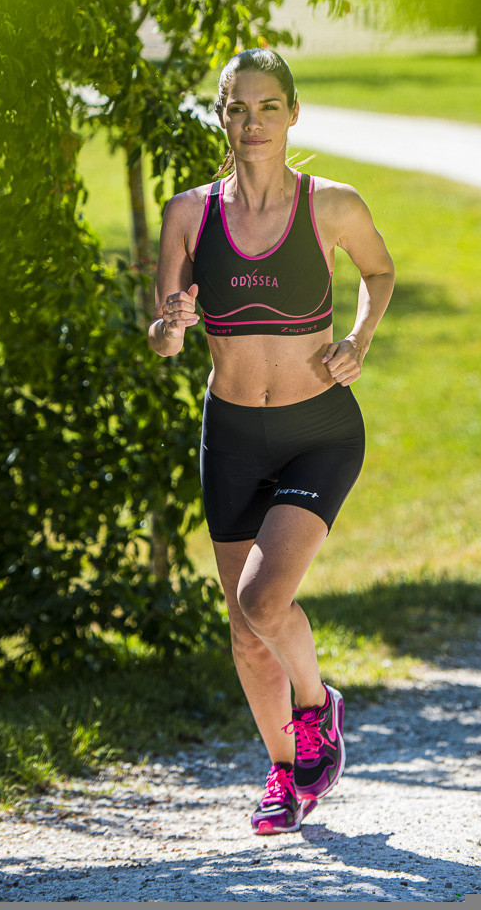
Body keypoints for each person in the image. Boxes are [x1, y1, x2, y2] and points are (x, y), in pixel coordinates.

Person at [148, 48, 394, 835]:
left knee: (263, 600)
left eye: (268, 107)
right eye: (237, 108)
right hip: (231, 435)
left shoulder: (332, 205)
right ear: (221, 117)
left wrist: (358, 339)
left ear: (292, 113)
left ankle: (317, 708)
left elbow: (380, 273)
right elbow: (163, 337)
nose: (252, 123)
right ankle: (286, 774)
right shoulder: (189, 214)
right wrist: (170, 325)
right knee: (244, 626)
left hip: (317, 429)